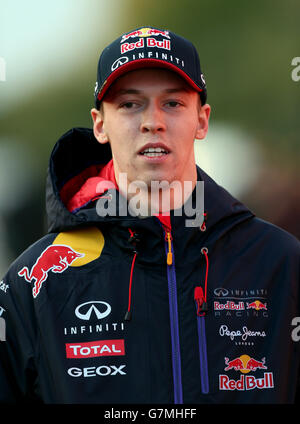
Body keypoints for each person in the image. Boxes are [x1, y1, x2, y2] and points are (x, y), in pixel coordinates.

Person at [0, 26, 299, 404]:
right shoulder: (35, 283)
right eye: (130, 104)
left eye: (172, 103)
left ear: (202, 120)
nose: (152, 121)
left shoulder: (281, 262)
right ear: (99, 124)